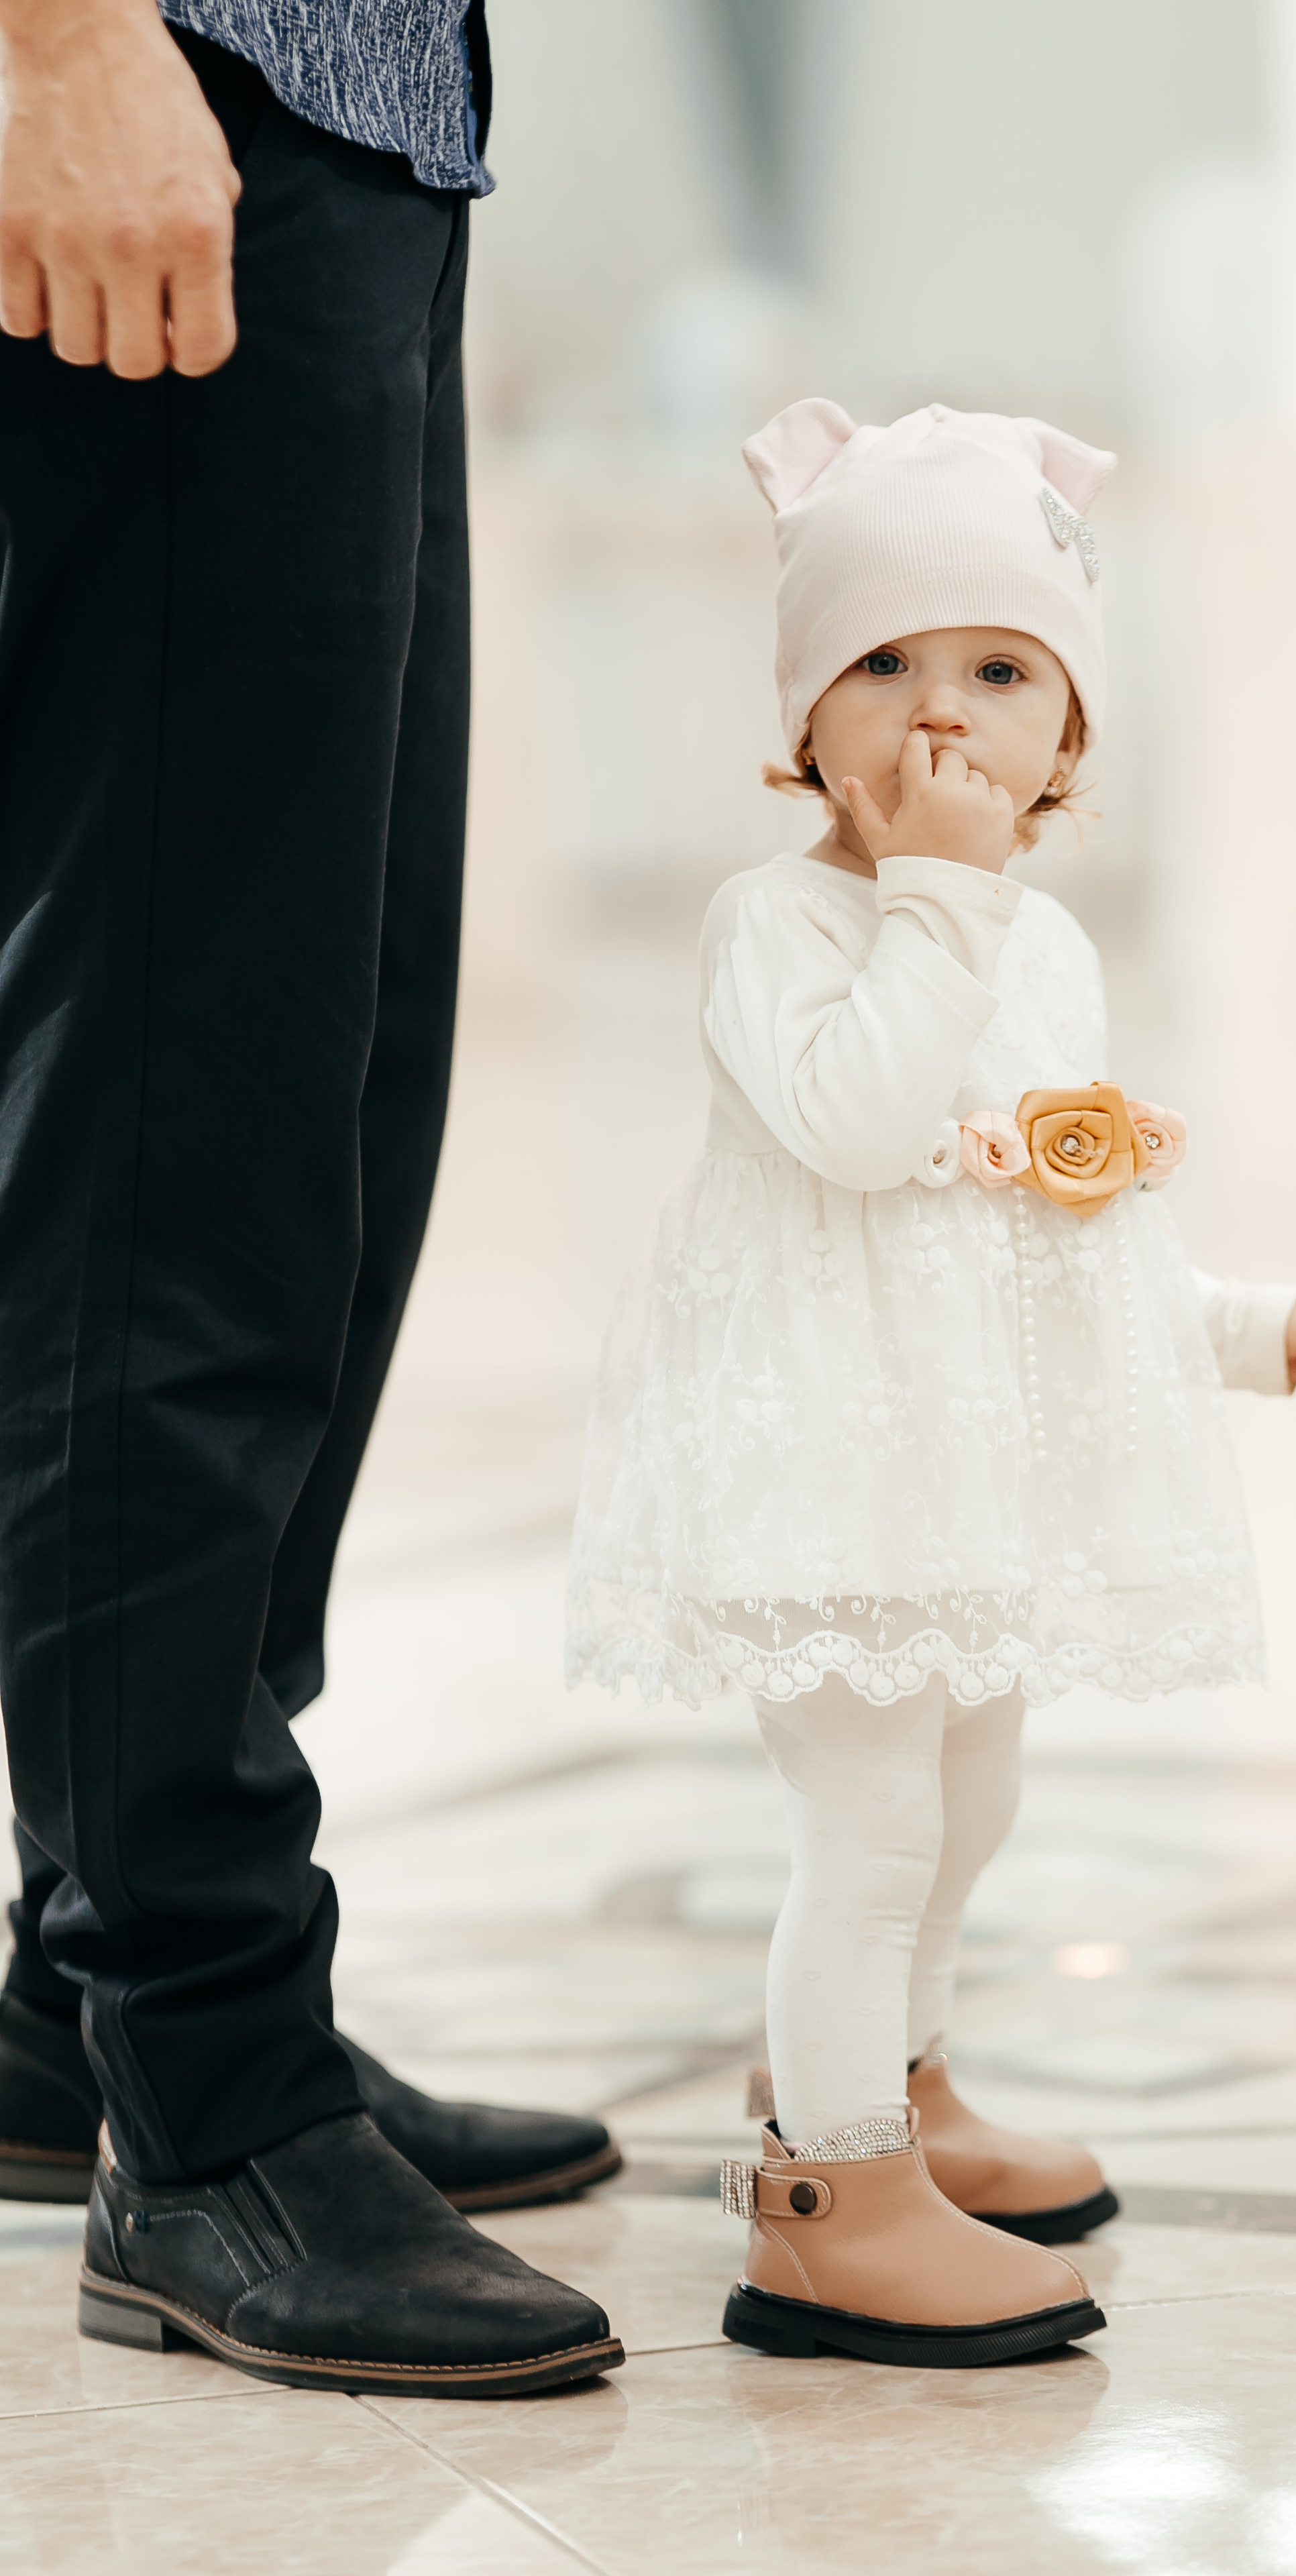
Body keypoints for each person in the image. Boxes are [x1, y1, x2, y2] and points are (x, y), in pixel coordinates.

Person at [565, 398, 1296, 2369]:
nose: (946, 718)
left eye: (1002, 671)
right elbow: (857, 1131)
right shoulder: (781, 923)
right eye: (887, 667)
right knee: (871, 1828)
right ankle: (826, 2206)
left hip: (967, 1478)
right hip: (834, 1475)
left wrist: (1239, 1327)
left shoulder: (1044, 951)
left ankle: (900, 2092)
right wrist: (933, 895)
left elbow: (1053, 1221)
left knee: (974, 1797)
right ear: (803, 725)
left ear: (1070, 737)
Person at [0, 0, 624, 2394]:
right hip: (178, 87)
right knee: (190, 1097)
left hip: (359, 117)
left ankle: (101, 1989)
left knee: (338, 1077)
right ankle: (209, 2083)